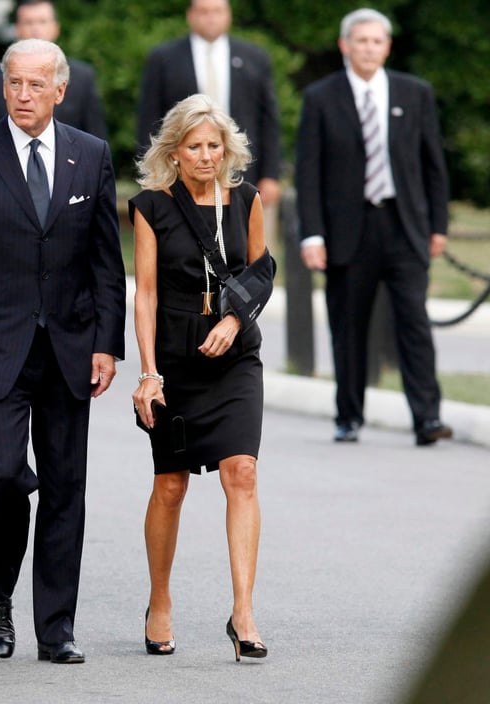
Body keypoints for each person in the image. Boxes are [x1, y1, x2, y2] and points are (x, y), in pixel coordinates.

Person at [0, 38, 127, 664]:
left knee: (66, 487)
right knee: (7, 475)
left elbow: (106, 262)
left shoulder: (90, 156)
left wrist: (107, 346)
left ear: (60, 91)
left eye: (36, 85)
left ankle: (57, 629)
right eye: (14, 83)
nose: (22, 95)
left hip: (70, 348)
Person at [130, 94, 268, 661]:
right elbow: (146, 295)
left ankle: (243, 612)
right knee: (171, 485)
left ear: (227, 148)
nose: (206, 155)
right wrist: (148, 374)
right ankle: (159, 601)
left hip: (234, 356)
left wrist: (234, 320)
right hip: (176, 359)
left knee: (242, 472)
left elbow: (262, 272)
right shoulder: (151, 207)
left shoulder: (248, 200)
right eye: (195, 146)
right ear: (175, 150)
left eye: (215, 145)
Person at [295, 8, 452, 446]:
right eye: (361, 41)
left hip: (403, 226)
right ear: (346, 45)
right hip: (348, 229)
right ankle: (349, 416)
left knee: (414, 324)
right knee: (349, 326)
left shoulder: (414, 93)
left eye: (377, 41)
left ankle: (426, 417)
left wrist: (438, 225)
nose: (369, 48)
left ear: (387, 47)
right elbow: (308, 172)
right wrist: (312, 233)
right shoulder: (321, 97)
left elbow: (431, 164)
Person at [135, 0, 281, 211]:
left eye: (217, 11)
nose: (211, 17)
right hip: (180, 178)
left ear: (228, 14)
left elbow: (268, 120)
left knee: (249, 241)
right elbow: (148, 119)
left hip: (245, 173)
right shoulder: (164, 59)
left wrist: (271, 174)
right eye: (203, 11)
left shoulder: (254, 58)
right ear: (190, 15)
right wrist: (155, 172)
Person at [0, 0, 108, 140]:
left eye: (42, 22)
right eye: (28, 22)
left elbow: (95, 134)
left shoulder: (82, 76)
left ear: (56, 28)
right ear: (17, 29)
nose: (35, 29)